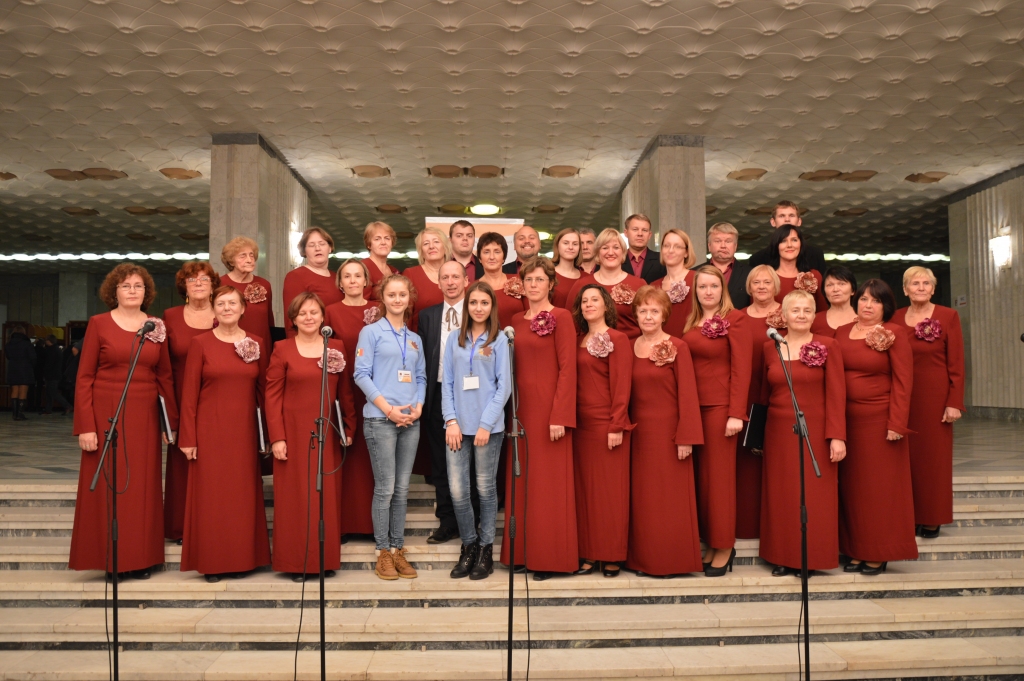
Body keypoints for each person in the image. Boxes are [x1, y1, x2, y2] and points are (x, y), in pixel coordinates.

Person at [70, 263, 177, 579]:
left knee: (143, 489)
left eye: (139, 286)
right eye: (126, 285)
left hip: (144, 415)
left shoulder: (155, 326)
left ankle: (142, 557)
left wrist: (167, 423)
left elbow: (165, 376)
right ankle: (112, 559)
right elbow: (84, 377)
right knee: (109, 487)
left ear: (147, 292)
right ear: (113, 291)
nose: (133, 290)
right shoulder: (99, 324)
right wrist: (85, 426)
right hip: (106, 413)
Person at [177, 286, 271, 582]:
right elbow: (189, 395)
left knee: (242, 497)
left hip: (243, 432)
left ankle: (244, 558)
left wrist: (267, 434)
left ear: (243, 308)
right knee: (212, 499)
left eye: (233, 303)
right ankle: (213, 562)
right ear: (214, 309)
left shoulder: (255, 342)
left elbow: (264, 392)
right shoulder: (200, 343)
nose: (227, 308)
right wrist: (188, 438)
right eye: (221, 303)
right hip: (209, 431)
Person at [265, 292, 356, 581]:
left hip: (327, 433)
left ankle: (325, 560)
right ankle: (296, 563)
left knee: (325, 497)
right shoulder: (281, 348)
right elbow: (272, 396)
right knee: (295, 500)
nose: (308, 317)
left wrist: (348, 428)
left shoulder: (336, 346)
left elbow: (345, 394)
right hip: (292, 434)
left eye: (314, 312)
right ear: (293, 319)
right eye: (302, 313)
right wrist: (277, 437)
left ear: (322, 317)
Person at [500, 257, 578, 580]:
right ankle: (520, 553)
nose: (533, 285)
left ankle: (549, 557)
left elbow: (568, 368)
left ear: (550, 284)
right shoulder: (516, 320)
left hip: (550, 413)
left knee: (548, 486)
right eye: (528, 280)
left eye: (539, 280)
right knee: (521, 480)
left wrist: (560, 414)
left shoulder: (561, 317)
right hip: (520, 411)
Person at [759, 289, 846, 576]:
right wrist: (757, 436)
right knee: (782, 494)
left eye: (807, 310)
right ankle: (783, 555)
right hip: (777, 432)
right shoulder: (768, 347)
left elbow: (836, 394)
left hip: (816, 432)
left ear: (813, 315)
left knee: (814, 495)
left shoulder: (828, 345)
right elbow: (762, 393)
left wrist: (837, 436)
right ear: (783, 315)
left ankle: (811, 558)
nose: (801, 315)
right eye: (795, 310)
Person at [836, 279, 918, 575]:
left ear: (886, 306)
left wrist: (896, 422)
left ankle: (878, 551)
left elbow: (903, 381)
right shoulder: (842, 332)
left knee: (879, 491)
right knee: (853, 490)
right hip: (847, 422)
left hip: (879, 422)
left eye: (875, 301)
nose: (867, 305)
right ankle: (856, 549)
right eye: (863, 299)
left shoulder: (894, 333)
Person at [354, 274, 427, 581]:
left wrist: (419, 406)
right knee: (385, 489)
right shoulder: (370, 333)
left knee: (401, 490)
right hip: (381, 420)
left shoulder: (415, 339)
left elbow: (421, 377)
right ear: (382, 299)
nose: (397, 300)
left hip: (410, 422)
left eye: (402, 295)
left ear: (409, 299)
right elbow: (361, 374)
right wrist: (388, 409)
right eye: (392, 295)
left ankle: (398, 550)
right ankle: (382, 552)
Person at [627, 286, 703, 577]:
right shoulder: (629, 345)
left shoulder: (678, 346)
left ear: (664, 315)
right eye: (643, 310)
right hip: (638, 435)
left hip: (670, 434)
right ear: (635, 314)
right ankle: (643, 560)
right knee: (644, 499)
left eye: (654, 311)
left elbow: (688, 394)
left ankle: (672, 561)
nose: (648, 316)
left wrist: (686, 437)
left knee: (669, 499)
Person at [681, 266, 751, 576]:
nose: (708, 292)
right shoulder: (692, 321)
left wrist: (736, 412)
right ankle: (711, 541)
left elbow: (742, 369)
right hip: (694, 410)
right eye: (702, 287)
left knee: (720, 483)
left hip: (721, 410)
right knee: (704, 482)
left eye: (713, 286)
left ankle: (725, 545)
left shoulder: (735, 320)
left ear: (722, 289)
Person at [442, 281, 511, 579]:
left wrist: (486, 425)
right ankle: (468, 545)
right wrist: (451, 420)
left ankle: (485, 550)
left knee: (485, 490)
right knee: (458, 492)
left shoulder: (499, 341)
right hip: (456, 427)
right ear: (466, 306)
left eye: (484, 303)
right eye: (473, 303)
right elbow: (447, 383)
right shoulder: (453, 340)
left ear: (491, 307)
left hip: (488, 429)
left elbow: (504, 388)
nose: (478, 308)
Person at [892, 267, 965, 539]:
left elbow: (956, 363)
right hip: (901, 397)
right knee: (904, 459)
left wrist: (954, 401)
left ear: (933, 289)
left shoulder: (948, 316)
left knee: (933, 460)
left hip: (935, 399)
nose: (920, 287)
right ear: (905, 289)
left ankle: (932, 517)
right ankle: (909, 515)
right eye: (915, 283)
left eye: (926, 283)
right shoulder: (895, 318)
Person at [571, 284, 633, 577]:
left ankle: (611, 554)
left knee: (610, 493)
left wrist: (616, 424)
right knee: (586, 494)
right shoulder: (577, 339)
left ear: (607, 305)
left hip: (606, 424)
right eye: (584, 301)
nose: (589, 304)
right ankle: (588, 552)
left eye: (595, 299)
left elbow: (622, 384)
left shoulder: (618, 339)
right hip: (581, 427)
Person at [162, 261, 219, 544]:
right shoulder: (169, 317)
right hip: (180, 400)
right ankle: (182, 528)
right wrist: (168, 418)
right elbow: (163, 369)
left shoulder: (225, 314)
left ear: (213, 285)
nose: (198, 283)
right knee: (183, 465)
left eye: (204, 279)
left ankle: (211, 523)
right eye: (191, 279)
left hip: (216, 402)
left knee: (214, 467)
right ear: (183, 286)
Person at [324, 259, 381, 539]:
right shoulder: (331, 312)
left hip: (374, 391)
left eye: (358, 275)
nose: (353, 280)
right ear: (340, 282)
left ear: (366, 279)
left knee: (373, 458)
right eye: (347, 276)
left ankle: (373, 524)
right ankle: (345, 523)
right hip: (342, 390)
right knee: (347, 453)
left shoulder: (378, 310)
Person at [417, 261, 469, 545]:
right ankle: (447, 521)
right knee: (441, 461)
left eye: (455, 277)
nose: (450, 282)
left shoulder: (477, 312)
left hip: (471, 396)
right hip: (437, 395)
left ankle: (469, 521)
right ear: (438, 283)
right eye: (445, 277)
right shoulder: (427, 316)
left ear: (466, 281)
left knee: (469, 460)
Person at [736, 265, 784, 539]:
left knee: (774, 463)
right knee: (746, 465)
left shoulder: (786, 317)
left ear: (776, 286)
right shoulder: (738, 318)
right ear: (749, 287)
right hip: (745, 396)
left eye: (767, 282)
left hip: (776, 396)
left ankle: (774, 528)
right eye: (756, 282)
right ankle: (747, 526)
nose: (762, 286)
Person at [567, 228, 646, 339]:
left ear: (623, 252)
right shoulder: (581, 285)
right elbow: (571, 326)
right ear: (597, 253)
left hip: (631, 349)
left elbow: (649, 323)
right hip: (591, 351)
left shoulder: (639, 285)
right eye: (605, 248)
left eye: (616, 247)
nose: (610, 252)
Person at [282, 227, 342, 337]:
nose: (317, 248)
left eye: (322, 243)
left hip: (336, 341)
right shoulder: (296, 276)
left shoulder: (338, 278)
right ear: (304, 251)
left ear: (329, 248)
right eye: (311, 245)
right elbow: (290, 318)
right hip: (309, 344)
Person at [220, 236, 275, 348]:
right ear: (231, 261)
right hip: (228, 345)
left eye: (251, 255)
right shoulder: (219, 284)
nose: (249, 260)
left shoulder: (264, 284)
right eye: (242, 256)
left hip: (261, 346)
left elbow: (269, 321)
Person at [748, 201, 827, 276]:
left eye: (791, 215)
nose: (787, 220)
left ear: (799, 221)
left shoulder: (816, 254)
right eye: (782, 216)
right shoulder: (757, 259)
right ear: (773, 222)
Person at [766, 225, 828, 312]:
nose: (789, 245)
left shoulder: (814, 276)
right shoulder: (766, 277)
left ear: (801, 244)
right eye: (783, 241)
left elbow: (823, 313)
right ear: (776, 246)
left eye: (794, 240)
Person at [403, 226, 452, 331]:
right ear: (421, 250)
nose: (431, 246)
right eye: (426, 244)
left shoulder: (456, 272)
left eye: (436, 242)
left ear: (445, 246)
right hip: (420, 341)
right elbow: (405, 314)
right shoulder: (411, 274)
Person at [651, 228, 698, 337]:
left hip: (691, 344)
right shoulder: (653, 286)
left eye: (677, 246)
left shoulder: (697, 279)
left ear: (686, 252)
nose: (670, 250)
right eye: (666, 246)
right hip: (661, 347)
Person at [476, 231, 528, 327]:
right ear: (479, 258)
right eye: (486, 252)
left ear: (504, 257)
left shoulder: (519, 281)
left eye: (497, 252)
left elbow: (530, 314)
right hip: (485, 341)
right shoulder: (472, 288)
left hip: (518, 339)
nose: (492, 257)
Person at [697, 222, 750, 309]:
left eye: (728, 241)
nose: (723, 246)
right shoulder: (694, 273)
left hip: (738, 321)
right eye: (717, 241)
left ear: (735, 246)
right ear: (709, 246)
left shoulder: (750, 273)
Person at [620, 214, 667, 284]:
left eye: (644, 230)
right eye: (635, 229)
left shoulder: (662, 259)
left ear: (649, 235)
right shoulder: (617, 260)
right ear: (626, 233)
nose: (640, 234)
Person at [812, 266, 858, 336]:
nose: (835, 289)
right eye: (830, 285)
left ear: (853, 290)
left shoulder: (863, 318)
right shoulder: (814, 320)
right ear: (824, 291)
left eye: (841, 284)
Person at [5, 325, 36, 421]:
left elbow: (8, 356)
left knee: (14, 391)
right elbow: (33, 357)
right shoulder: (27, 344)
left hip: (12, 368)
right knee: (23, 391)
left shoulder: (8, 344)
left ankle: (14, 414)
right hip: (25, 369)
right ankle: (20, 414)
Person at [362, 221, 399, 301]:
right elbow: (359, 302)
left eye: (387, 238)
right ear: (369, 244)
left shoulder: (394, 271)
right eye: (377, 239)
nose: (383, 242)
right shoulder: (362, 267)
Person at [40, 335, 71, 415]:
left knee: (52, 392)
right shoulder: (57, 350)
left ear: (48, 341)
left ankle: (67, 406)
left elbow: (48, 363)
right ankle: (48, 409)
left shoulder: (51, 350)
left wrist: (44, 371)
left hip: (52, 375)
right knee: (50, 392)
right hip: (55, 374)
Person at [551, 228, 582, 308]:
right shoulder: (548, 275)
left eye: (575, 244)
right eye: (566, 243)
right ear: (557, 246)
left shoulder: (587, 278)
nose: (570, 247)